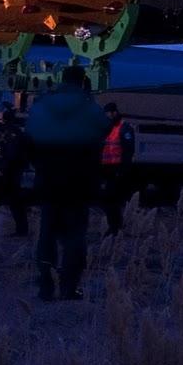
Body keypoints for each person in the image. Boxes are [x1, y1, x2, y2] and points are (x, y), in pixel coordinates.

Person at [23, 66, 111, 301]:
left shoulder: (43, 105)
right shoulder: (89, 107)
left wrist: (40, 165)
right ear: (83, 81)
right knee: (75, 235)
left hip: (48, 178)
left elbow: (29, 138)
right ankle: (69, 287)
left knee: (47, 234)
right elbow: (104, 129)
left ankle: (45, 286)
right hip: (80, 180)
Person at [0, 102, 29, 236]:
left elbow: (11, 153)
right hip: (6, 170)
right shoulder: (5, 130)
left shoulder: (12, 132)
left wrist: (2, 169)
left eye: (1, 112)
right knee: (15, 201)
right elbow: (1, 148)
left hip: (6, 171)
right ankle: (22, 229)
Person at [99, 102, 137, 236]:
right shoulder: (108, 127)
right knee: (108, 199)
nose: (106, 116)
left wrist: (122, 170)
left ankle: (114, 227)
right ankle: (115, 226)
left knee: (111, 199)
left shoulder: (123, 128)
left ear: (114, 112)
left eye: (108, 114)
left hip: (116, 169)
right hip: (107, 169)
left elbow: (128, 150)